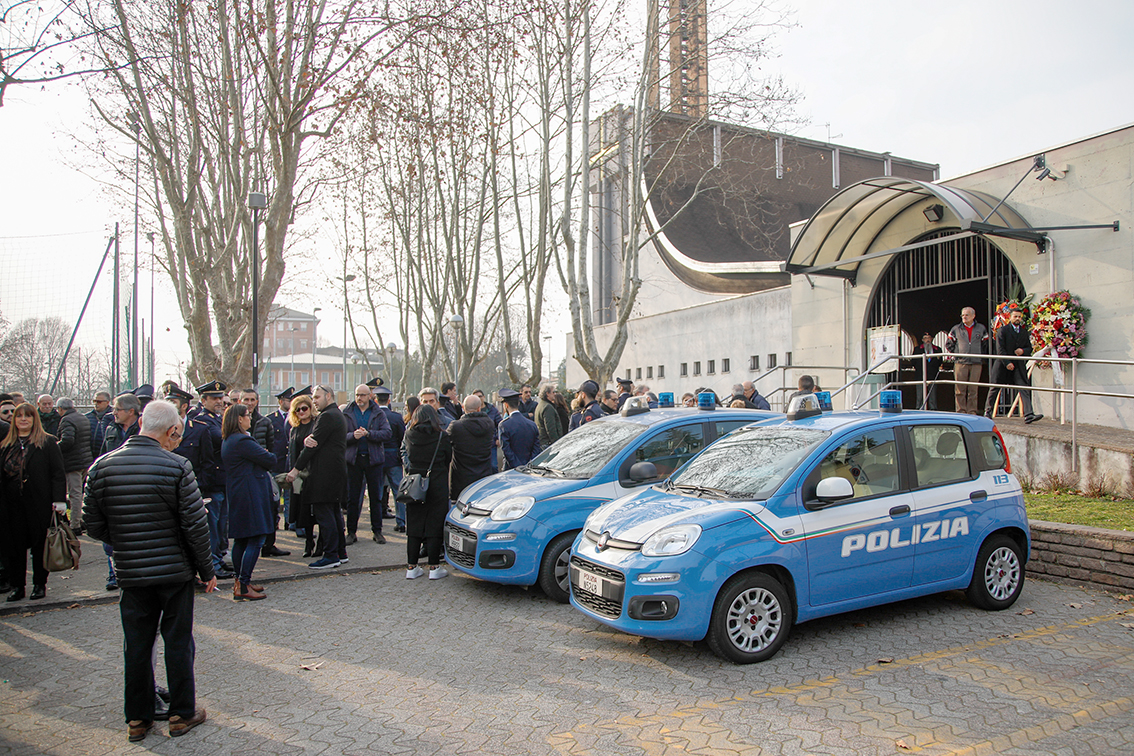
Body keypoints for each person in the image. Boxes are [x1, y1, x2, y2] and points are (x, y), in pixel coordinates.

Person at [83, 399, 215, 742]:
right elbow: (194, 525)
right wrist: (206, 569)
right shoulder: (177, 466)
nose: (177, 441)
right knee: (178, 642)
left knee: (137, 645)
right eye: (177, 435)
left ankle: (138, 719)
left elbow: (92, 525)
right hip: (174, 571)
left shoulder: (101, 466)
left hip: (131, 570)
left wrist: (127, 541)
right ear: (171, 431)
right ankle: (182, 714)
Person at [0, 402, 66, 602]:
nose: (22, 419)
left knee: (39, 544)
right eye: (19, 416)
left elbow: (57, 473)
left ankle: (39, 584)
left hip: (39, 501)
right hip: (12, 504)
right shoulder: (6, 445)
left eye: (27, 416)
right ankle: (17, 586)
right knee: (14, 546)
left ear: (33, 419)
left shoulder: (47, 442)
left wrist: (59, 500)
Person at [221, 404, 277, 601]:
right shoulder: (243, 440)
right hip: (250, 494)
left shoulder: (229, 439)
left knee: (242, 539)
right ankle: (243, 584)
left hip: (239, 493)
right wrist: (266, 453)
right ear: (239, 419)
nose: (250, 419)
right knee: (256, 538)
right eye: (247, 415)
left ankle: (240, 581)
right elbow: (270, 459)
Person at [288, 385, 348, 569]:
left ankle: (331, 555)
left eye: (317, 396)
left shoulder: (328, 415)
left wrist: (295, 470)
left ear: (328, 396)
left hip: (325, 473)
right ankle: (340, 552)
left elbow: (313, 445)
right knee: (333, 512)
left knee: (325, 514)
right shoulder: (335, 414)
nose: (314, 400)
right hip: (333, 471)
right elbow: (314, 440)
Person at [402, 403, 452, 580]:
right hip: (437, 482)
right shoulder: (442, 436)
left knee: (414, 525)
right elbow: (448, 458)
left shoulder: (409, 435)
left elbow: (407, 456)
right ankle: (434, 567)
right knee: (434, 524)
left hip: (415, 484)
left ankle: (411, 567)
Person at [343, 383, 393, 545]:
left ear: (370, 396)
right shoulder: (348, 412)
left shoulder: (377, 412)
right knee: (353, 497)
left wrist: (369, 434)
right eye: (357, 395)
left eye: (363, 395)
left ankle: (377, 531)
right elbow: (340, 436)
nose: (360, 398)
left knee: (376, 497)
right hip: (354, 459)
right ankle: (351, 532)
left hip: (373, 460)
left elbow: (387, 433)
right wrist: (353, 436)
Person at [194, 381, 233, 580]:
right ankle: (213, 563)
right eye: (214, 398)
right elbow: (221, 439)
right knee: (214, 524)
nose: (219, 401)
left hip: (222, 478)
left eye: (220, 397)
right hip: (212, 481)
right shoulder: (203, 421)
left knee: (221, 524)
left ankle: (218, 558)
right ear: (203, 400)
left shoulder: (217, 419)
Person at [984, 307, 1044, 423]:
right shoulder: (1003, 330)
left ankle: (1029, 414)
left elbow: (1029, 348)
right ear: (1010, 317)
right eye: (1015, 316)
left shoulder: (1023, 332)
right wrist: (1007, 363)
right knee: (995, 387)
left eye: (1019, 317)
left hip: (1018, 364)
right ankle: (988, 411)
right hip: (1003, 363)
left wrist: (1023, 351)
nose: (1017, 319)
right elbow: (1000, 349)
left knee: (1023, 387)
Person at [285, 391, 320, 557]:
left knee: (317, 511)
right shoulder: (295, 429)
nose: (301, 412)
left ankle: (320, 544)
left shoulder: (315, 425)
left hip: (313, 473)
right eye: (297, 410)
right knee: (303, 511)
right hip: (299, 475)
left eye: (304, 408)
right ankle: (308, 542)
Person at [447, 394, 496, 500]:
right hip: (484, 476)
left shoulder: (456, 427)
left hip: (461, 477)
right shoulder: (490, 424)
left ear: (463, 408)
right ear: (479, 408)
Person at [374, 385, 407, 533]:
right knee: (398, 491)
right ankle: (401, 521)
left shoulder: (373, 416)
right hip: (393, 458)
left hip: (376, 458)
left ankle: (376, 521)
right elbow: (402, 437)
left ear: (375, 400)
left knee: (377, 490)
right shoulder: (396, 417)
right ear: (389, 400)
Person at [945, 306, 990, 415]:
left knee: (973, 389)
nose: (964, 317)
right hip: (960, 363)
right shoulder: (956, 329)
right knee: (960, 389)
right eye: (963, 315)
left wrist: (980, 355)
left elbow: (986, 344)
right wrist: (957, 354)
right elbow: (949, 344)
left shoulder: (981, 328)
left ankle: (971, 411)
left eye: (967, 315)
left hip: (976, 363)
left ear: (973, 316)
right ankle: (961, 411)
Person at [269, 387, 294, 531]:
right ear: (280, 401)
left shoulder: (296, 418)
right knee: (275, 498)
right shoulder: (271, 419)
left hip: (289, 465)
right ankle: (274, 524)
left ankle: (290, 522)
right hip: (276, 464)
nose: (291, 403)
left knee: (290, 496)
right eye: (288, 400)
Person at [499, 390, 541, 470]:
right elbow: (536, 449)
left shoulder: (504, 425)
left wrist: (518, 467)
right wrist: (528, 466)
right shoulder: (532, 424)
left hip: (511, 470)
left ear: (506, 405)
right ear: (518, 403)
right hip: (530, 469)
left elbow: (507, 451)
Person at [912, 333, 943, 410]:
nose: (927, 340)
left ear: (932, 339)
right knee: (920, 395)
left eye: (929, 337)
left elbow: (940, 361)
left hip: (933, 375)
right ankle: (919, 409)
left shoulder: (937, 349)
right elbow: (913, 362)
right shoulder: (917, 349)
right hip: (920, 375)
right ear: (922, 340)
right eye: (925, 338)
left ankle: (933, 409)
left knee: (932, 395)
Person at [535, 383, 564, 449]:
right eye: (553, 392)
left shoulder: (540, 405)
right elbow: (551, 428)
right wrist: (557, 443)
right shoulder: (547, 407)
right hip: (548, 444)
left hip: (543, 442)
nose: (555, 394)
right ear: (547, 393)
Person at [87, 390, 112, 458]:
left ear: (107, 402)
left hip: (106, 454)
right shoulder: (88, 417)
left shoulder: (113, 417)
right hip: (90, 455)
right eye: (94, 401)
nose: (96, 404)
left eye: (99, 402)